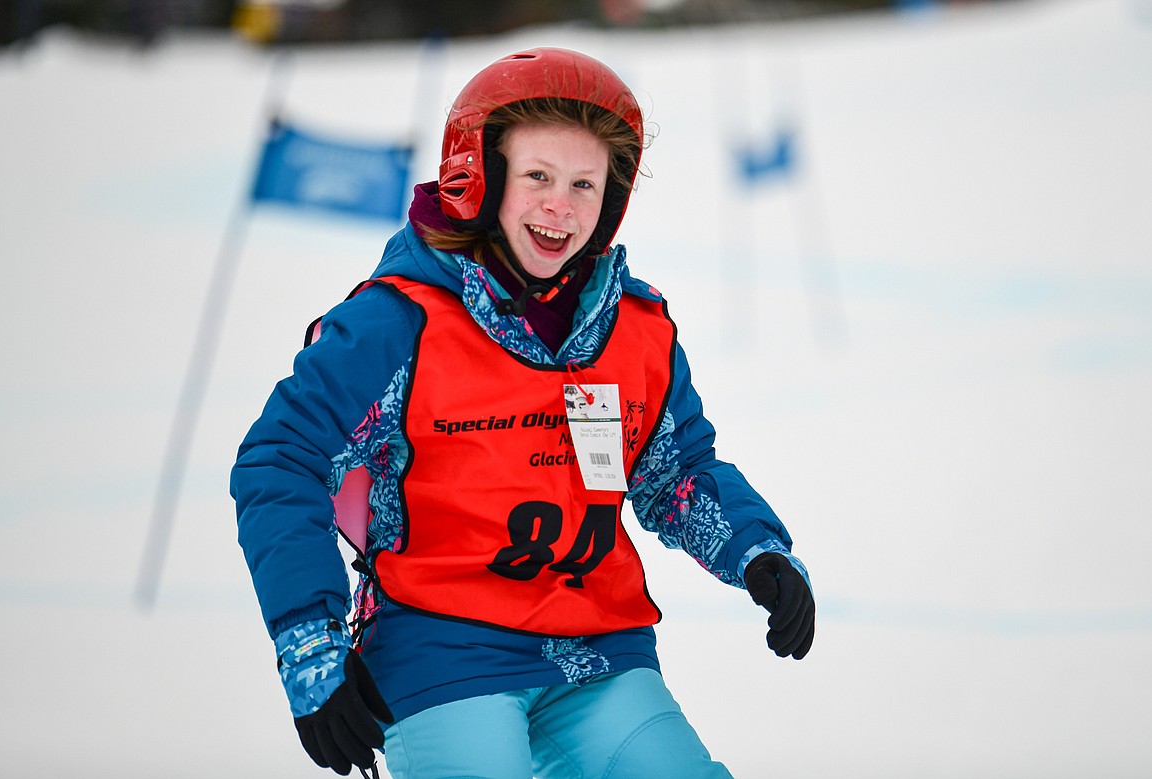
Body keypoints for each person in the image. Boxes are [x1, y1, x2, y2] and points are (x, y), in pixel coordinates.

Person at [231, 47, 815, 779]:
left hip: (598, 652)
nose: (559, 206)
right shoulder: (396, 324)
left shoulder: (633, 330)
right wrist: (311, 643)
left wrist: (758, 552)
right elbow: (282, 460)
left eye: (584, 184)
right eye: (537, 176)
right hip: (439, 649)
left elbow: (676, 472)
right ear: (479, 178)